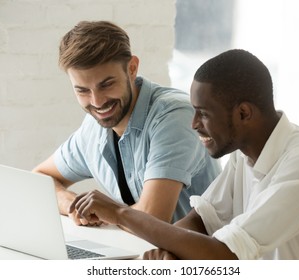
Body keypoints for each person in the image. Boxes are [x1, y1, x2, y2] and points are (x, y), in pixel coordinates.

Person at [69, 49, 299, 259]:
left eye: (203, 114)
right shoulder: (243, 154)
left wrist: (120, 213)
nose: (193, 124)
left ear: (244, 113)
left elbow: (225, 253)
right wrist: (170, 250)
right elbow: (201, 219)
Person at [33, 21, 221, 226]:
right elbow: (39, 178)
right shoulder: (92, 127)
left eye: (107, 84)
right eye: (82, 90)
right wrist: (73, 205)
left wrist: (107, 212)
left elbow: (154, 218)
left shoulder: (174, 116)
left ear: (132, 69)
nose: (97, 102)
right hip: (142, 252)